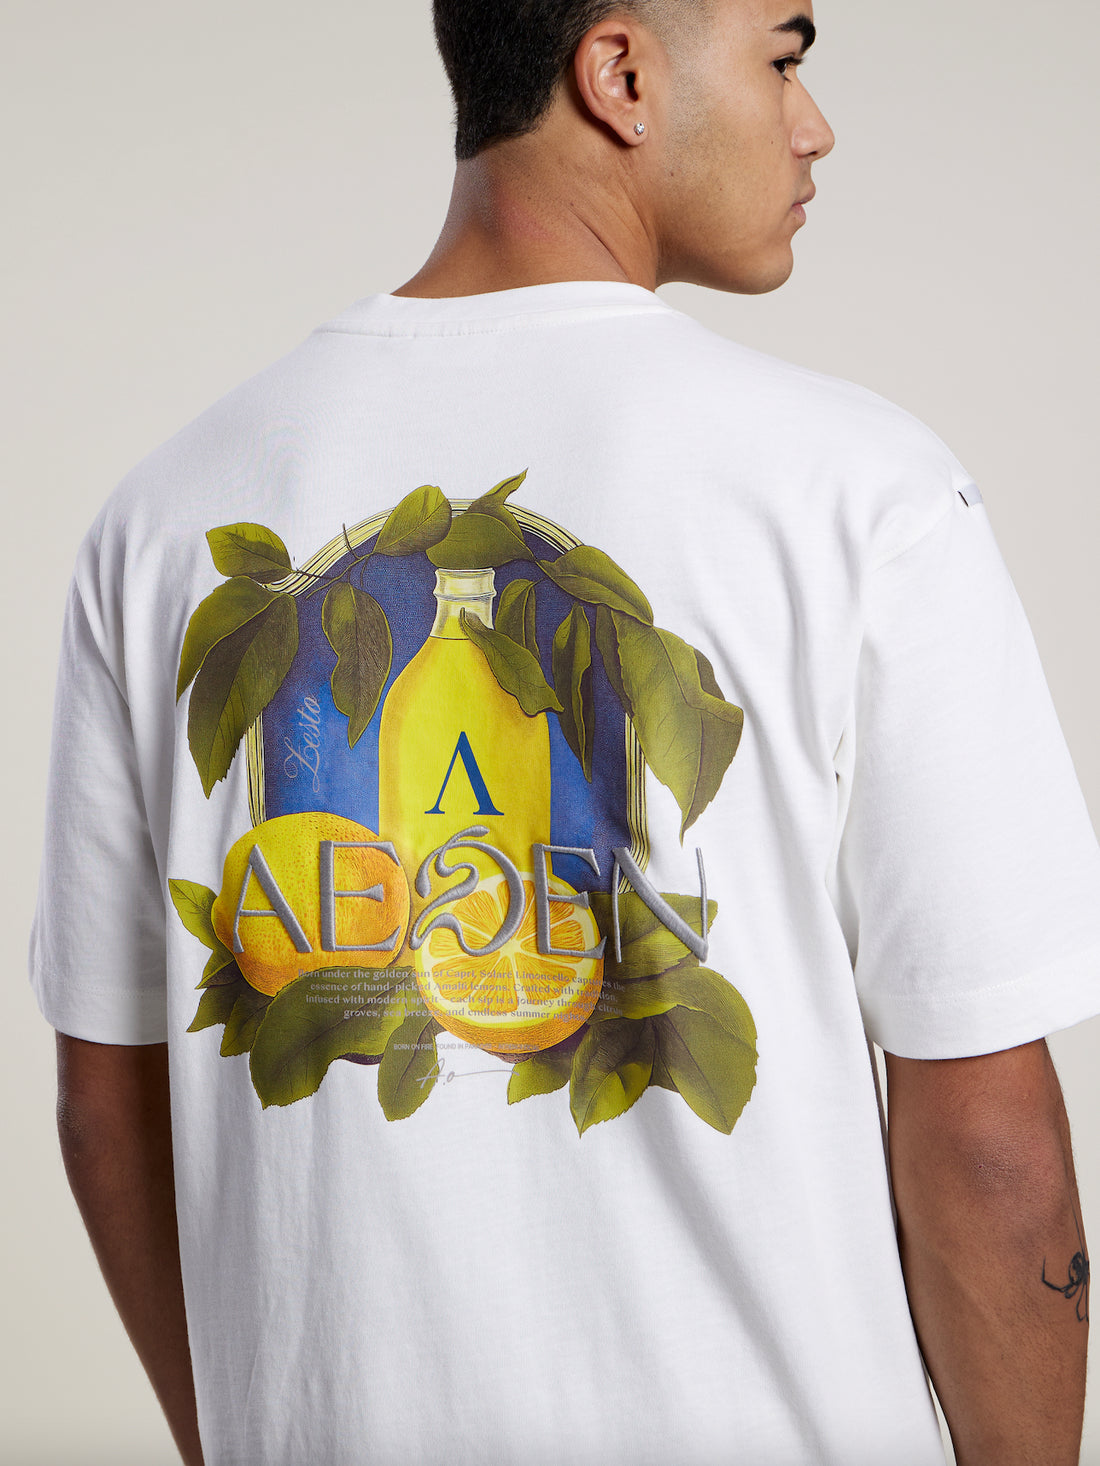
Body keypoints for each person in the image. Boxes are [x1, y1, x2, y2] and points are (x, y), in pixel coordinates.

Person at [29, 1, 1100, 1463]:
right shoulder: (866, 496)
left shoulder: (159, 518)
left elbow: (109, 1103)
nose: (815, 126)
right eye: (784, 58)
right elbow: (986, 1140)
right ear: (621, 72)